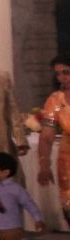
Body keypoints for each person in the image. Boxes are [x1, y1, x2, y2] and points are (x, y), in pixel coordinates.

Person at [38, 54, 70, 216]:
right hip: (67, 159)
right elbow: (46, 136)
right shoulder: (55, 100)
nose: (62, 77)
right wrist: (44, 165)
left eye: (66, 72)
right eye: (58, 74)